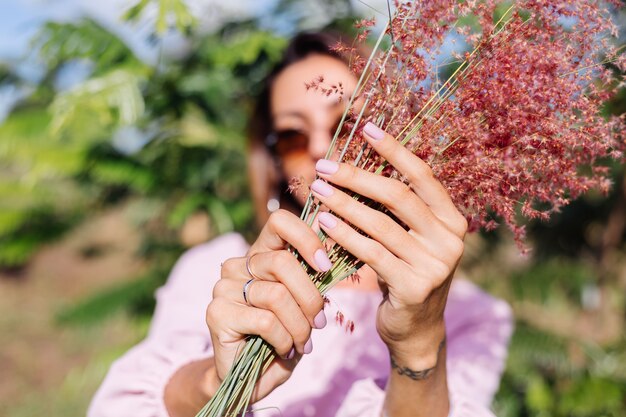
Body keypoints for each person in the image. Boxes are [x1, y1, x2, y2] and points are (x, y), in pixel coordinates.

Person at [88, 32, 513, 417]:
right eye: (292, 136)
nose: (318, 147)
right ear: (271, 161)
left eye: (346, 124)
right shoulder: (220, 269)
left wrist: (420, 348)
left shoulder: (466, 315)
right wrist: (220, 384)